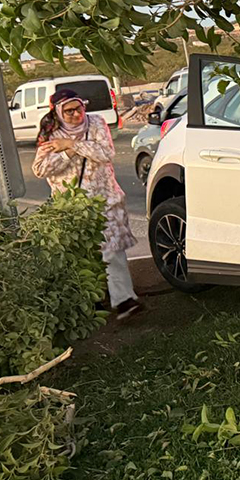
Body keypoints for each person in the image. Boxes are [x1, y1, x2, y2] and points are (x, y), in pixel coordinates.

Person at [32, 88, 143, 320]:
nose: (75, 114)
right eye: (69, 110)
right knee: (85, 255)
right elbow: (40, 169)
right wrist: (66, 153)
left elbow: (106, 153)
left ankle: (124, 301)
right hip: (72, 206)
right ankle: (92, 301)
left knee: (113, 251)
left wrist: (71, 144)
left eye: (79, 108)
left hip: (106, 200)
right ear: (58, 112)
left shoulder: (96, 123)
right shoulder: (50, 133)